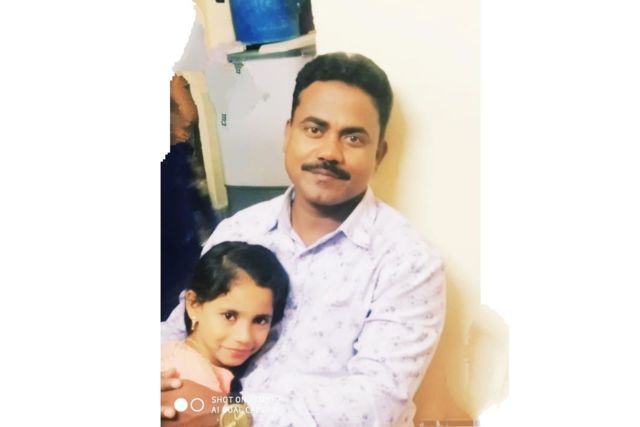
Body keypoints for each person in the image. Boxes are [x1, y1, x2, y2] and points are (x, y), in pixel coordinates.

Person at [162, 52, 446, 426]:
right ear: (288, 135)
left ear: (378, 154)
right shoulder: (238, 231)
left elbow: (377, 403)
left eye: (353, 138)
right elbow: (181, 328)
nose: (329, 152)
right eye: (314, 129)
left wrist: (231, 416)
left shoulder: (407, 263)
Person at [162, 241, 289, 425]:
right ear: (193, 304)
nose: (244, 337)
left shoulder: (211, 368)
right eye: (229, 316)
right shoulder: (182, 375)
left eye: (260, 320)